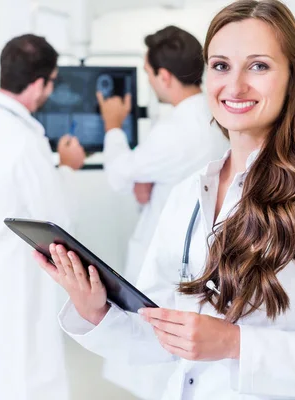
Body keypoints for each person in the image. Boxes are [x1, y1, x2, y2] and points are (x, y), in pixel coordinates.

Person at [36, 0, 295, 399]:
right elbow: (161, 332)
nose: (235, 86)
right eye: (221, 66)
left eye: (259, 66)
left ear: (293, 78)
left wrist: (236, 344)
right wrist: (95, 309)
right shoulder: (188, 194)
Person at [95, 25, 229, 398]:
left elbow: (120, 176)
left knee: (155, 354)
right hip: (206, 253)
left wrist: (112, 127)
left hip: (172, 254)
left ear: (164, 76)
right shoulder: (215, 117)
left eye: (149, 73)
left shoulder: (176, 129)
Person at [0, 34, 85, 400]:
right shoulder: (25, 139)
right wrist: (69, 168)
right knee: (24, 376)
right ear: (40, 82)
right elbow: (58, 220)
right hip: (14, 286)